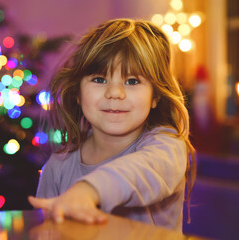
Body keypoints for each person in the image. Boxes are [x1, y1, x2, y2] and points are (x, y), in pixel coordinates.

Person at [28, 18, 196, 232]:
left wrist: (89, 190)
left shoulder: (166, 148)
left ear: (155, 97)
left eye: (132, 81)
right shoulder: (59, 165)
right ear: (78, 93)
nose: (115, 93)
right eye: (99, 79)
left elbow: (139, 173)